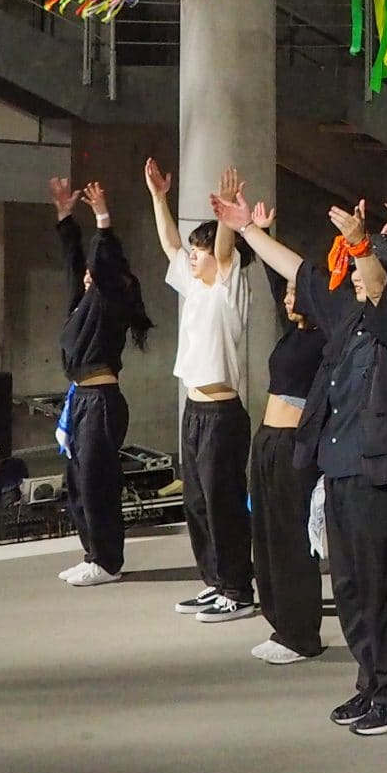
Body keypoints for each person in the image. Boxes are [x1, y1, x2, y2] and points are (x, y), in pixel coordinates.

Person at [219, 190, 387, 736]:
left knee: (386, 588)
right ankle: (371, 684)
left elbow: (385, 299)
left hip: (384, 479)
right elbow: (304, 273)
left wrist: (362, 242)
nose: (356, 280)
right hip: (341, 475)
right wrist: (248, 232)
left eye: (365, 270)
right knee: (352, 589)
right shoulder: (351, 319)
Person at [145, 157, 261, 623]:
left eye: (201, 250)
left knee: (224, 503)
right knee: (196, 503)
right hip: (193, 412)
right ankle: (215, 582)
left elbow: (227, 251)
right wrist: (158, 197)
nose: (192, 256)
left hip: (221, 415)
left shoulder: (228, 289)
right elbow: (171, 243)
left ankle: (238, 587)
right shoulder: (195, 287)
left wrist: (229, 213)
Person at [48, 178, 151, 588]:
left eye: (96, 274)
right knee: (77, 481)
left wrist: (103, 218)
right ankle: (93, 554)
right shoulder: (84, 302)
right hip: (81, 399)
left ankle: (108, 560)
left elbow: (101, 262)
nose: (87, 277)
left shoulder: (110, 303)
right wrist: (65, 217)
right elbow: (72, 262)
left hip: (102, 400)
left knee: (96, 482)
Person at [242, 202, 328, 665]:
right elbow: (281, 282)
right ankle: (280, 625)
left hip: (297, 445)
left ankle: (301, 633)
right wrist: (262, 231)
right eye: (289, 295)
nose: (291, 300)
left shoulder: (326, 336)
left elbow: (299, 280)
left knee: (293, 539)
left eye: (299, 295)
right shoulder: (292, 332)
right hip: (269, 441)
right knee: (267, 535)